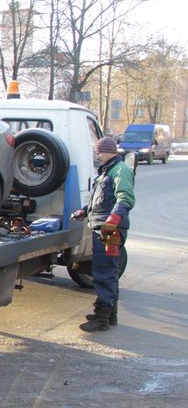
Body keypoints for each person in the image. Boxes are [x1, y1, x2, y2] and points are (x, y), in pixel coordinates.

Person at [71, 136, 135, 332]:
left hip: (109, 229)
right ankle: (110, 314)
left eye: (98, 153)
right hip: (104, 226)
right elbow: (101, 201)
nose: (97, 156)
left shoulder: (120, 170)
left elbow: (125, 199)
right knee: (108, 271)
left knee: (104, 272)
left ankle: (102, 319)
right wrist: (84, 211)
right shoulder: (107, 171)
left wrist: (112, 221)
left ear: (108, 152)